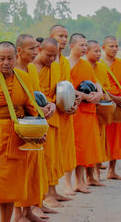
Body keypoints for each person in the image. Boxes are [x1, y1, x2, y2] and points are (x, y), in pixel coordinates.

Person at [0, 41, 39, 222]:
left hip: (17, 140)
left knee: (10, 189)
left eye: (10, 58)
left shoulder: (23, 78)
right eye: (1, 58)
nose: (5, 62)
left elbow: (30, 109)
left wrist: (42, 118)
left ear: (16, 58)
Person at [14, 34, 55, 221]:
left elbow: (37, 97)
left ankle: (29, 209)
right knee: (20, 171)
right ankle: (17, 213)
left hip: (34, 122)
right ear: (19, 50)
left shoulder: (31, 69)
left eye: (36, 48)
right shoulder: (11, 70)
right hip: (20, 124)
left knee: (34, 169)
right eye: (31, 48)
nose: (35, 52)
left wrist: (48, 106)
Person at [68, 33, 103, 193]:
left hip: (88, 110)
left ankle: (81, 180)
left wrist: (98, 94)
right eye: (81, 45)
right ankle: (72, 182)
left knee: (85, 146)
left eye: (85, 45)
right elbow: (65, 87)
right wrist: (85, 96)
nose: (84, 48)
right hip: (74, 110)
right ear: (72, 46)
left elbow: (95, 83)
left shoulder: (85, 65)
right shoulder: (65, 64)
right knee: (74, 146)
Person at [33, 38, 64, 208]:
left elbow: (58, 90)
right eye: (49, 55)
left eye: (55, 56)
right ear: (39, 49)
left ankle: (48, 194)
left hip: (53, 114)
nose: (52, 59)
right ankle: (39, 199)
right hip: (37, 117)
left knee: (52, 157)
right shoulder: (32, 68)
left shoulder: (55, 67)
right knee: (41, 159)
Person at [50, 24, 78, 196]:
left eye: (66, 36)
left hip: (65, 112)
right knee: (50, 153)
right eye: (60, 36)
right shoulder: (47, 60)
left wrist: (73, 102)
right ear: (51, 36)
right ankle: (48, 193)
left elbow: (67, 86)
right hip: (52, 111)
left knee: (64, 151)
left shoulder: (65, 62)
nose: (64, 40)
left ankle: (55, 191)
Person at [102, 36, 121, 180]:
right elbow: (99, 87)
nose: (114, 49)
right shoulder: (98, 64)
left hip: (120, 107)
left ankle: (112, 170)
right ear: (103, 47)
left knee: (117, 138)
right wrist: (114, 99)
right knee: (102, 137)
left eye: (116, 46)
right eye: (111, 46)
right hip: (104, 104)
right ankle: (95, 171)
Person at [86, 40, 112, 183]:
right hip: (87, 110)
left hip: (100, 109)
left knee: (99, 142)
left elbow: (106, 89)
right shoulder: (83, 67)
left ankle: (96, 174)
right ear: (87, 52)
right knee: (89, 143)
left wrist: (109, 100)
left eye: (99, 51)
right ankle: (88, 175)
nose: (98, 54)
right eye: (95, 51)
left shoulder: (101, 68)